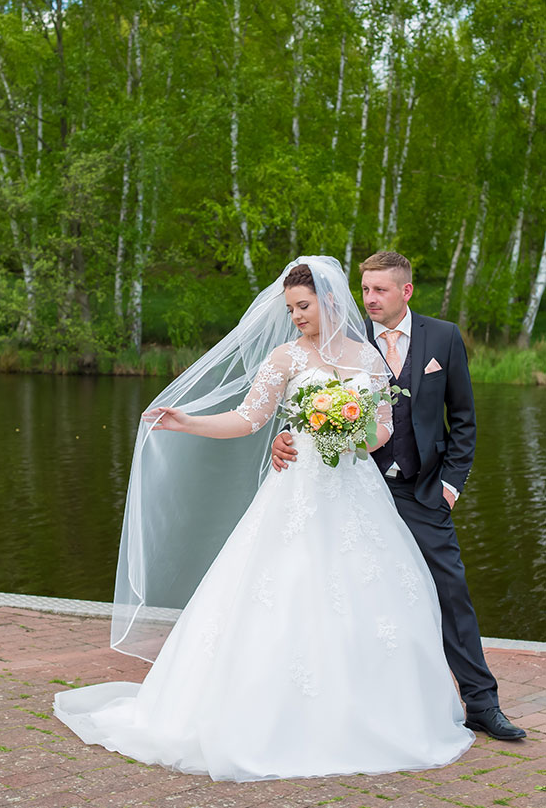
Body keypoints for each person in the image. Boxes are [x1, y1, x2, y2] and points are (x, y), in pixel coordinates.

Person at [54, 256, 474, 782]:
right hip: (295, 492)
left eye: (303, 306)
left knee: (373, 598)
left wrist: (349, 425)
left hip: (354, 492)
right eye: (291, 308)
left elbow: (381, 434)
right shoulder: (285, 358)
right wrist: (188, 422)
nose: (296, 316)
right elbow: (249, 418)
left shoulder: (367, 357)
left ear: (328, 301)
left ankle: (374, 715)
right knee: (279, 592)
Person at [272, 251, 526, 742]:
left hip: (422, 490)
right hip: (351, 485)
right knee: (349, 592)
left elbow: (464, 421)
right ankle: (364, 706)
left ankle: (481, 703)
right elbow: (307, 402)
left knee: (450, 592)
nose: (369, 299)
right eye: (364, 290)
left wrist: (449, 487)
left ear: (405, 291)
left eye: (379, 290)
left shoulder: (444, 338)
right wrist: (288, 436)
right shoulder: (340, 338)